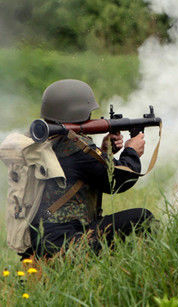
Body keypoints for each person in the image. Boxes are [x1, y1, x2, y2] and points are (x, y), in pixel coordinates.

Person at [27, 79, 154, 258]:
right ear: (78, 112)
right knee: (142, 218)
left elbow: (85, 171)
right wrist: (131, 151)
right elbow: (118, 181)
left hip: (42, 239)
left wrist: (103, 151)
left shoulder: (45, 141)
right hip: (65, 243)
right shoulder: (75, 147)